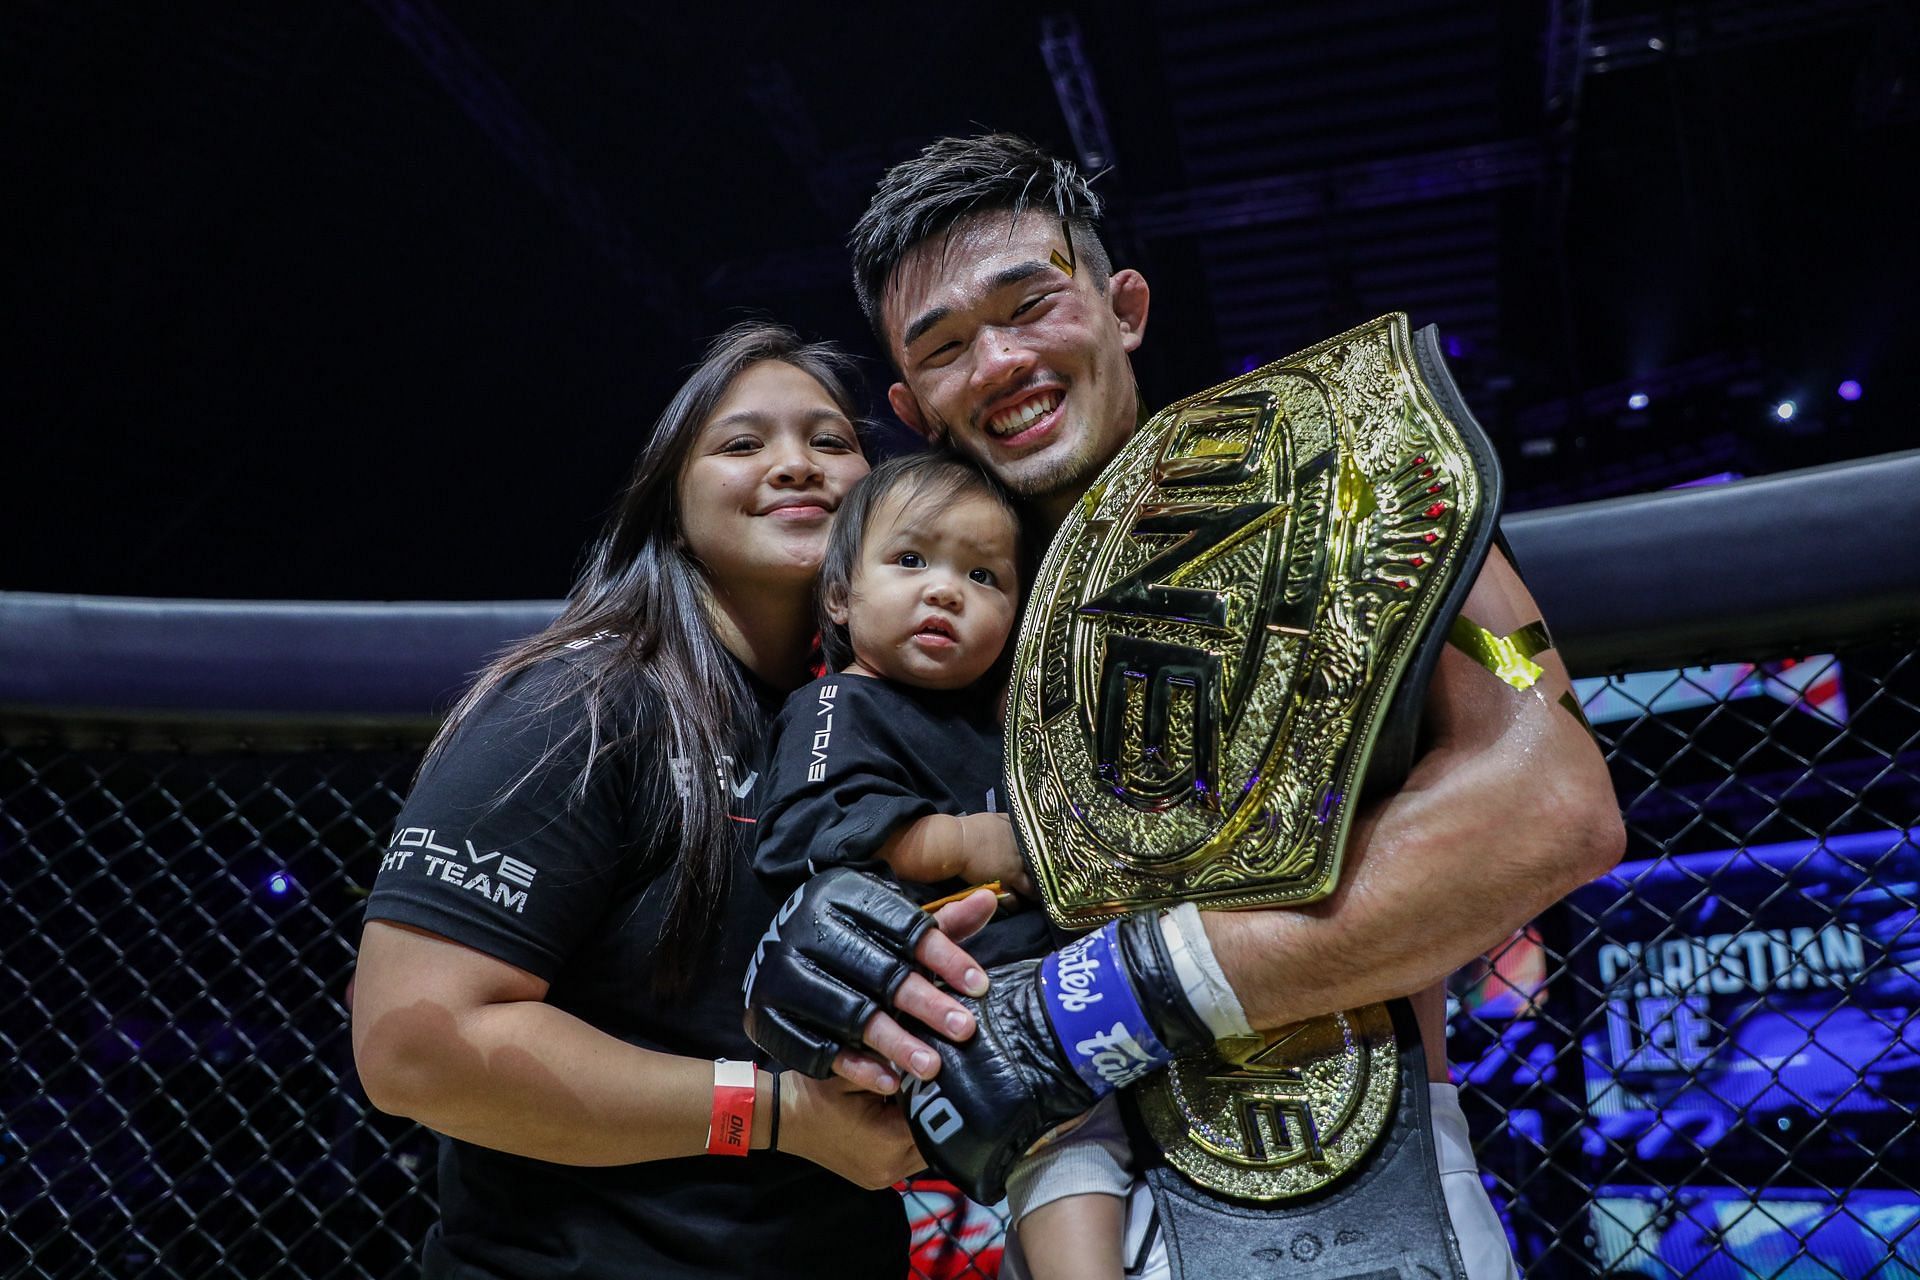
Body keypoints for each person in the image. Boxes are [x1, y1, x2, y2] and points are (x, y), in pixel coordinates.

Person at [742, 135, 1627, 1279]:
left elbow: (1552, 805)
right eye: (950, 345)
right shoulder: (929, 639)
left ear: (1125, 308)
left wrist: (1091, 1001)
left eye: (1031, 304)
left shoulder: (1344, 469)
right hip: (1047, 1208)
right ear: (914, 406)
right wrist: (825, 953)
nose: (1002, 360)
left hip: (1354, 1180)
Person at [350, 322, 937, 1279]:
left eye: (831, 441)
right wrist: (780, 1116)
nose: (796, 464)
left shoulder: (869, 732)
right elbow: (417, 1046)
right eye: (742, 444)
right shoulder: (582, 703)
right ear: (670, 510)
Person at [752, 450, 1128, 1279]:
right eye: (911, 560)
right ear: (842, 595)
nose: (946, 589)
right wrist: (969, 843)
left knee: (1081, 1155)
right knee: (1059, 1155)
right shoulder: (837, 702)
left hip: (1053, 998)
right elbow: (813, 829)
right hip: (944, 1023)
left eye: (985, 576)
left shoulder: (998, 723)